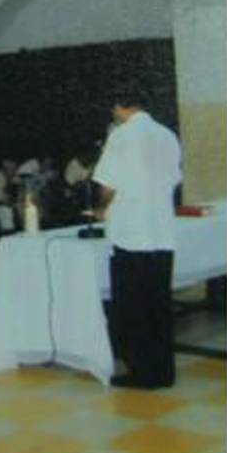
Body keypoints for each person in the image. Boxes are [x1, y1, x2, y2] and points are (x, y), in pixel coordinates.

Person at [93, 84, 182, 389]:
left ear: (120, 107)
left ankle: (142, 373)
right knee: (159, 306)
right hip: (161, 233)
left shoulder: (121, 135)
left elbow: (107, 185)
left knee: (133, 307)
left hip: (131, 235)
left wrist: (101, 209)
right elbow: (173, 180)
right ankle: (164, 372)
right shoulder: (167, 135)